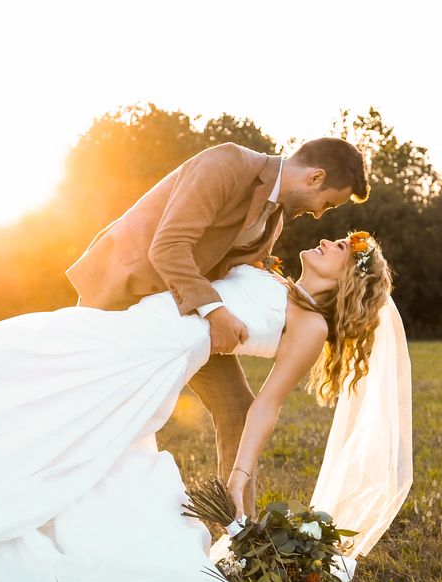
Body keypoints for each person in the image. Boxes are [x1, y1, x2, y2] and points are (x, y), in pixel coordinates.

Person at [0, 231, 411, 582]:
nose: (328, 242)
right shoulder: (272, 272)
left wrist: (240, 476)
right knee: (26, 358)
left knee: (21, 355)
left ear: (349, 281)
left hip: (148, 357)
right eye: (333, 239)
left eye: (341, 249)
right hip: (136, 327)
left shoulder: (311, 325)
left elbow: (268, 404)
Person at [66, 139, 370, 516]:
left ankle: (241, 531)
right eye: (328, 203)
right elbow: (169, 246)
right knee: (86, 401)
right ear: (316, 176)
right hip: (124, 292)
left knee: (237, 408)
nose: (320, 214)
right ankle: (68, 497)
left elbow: (225, 266)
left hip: (187, 317)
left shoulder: (274, 218)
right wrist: (216, 313)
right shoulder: (228, 163)